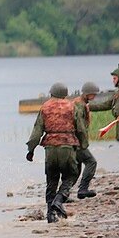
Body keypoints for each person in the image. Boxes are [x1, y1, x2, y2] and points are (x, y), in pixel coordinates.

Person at [27, 82, 88, 223]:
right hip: (67, 146)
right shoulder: (72, 106)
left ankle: (50, 214)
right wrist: (83, 145)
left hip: (50, 148)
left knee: (51, 180)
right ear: (65, 94)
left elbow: (37, 131)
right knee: (71, 174)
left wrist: (31, 150)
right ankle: (59, 200)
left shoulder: (45, 107)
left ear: (51, 93)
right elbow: (81, 128)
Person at [70, 81, 101, 200]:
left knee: (75, 171)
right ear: (88, 93)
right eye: (93, 94)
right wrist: (83, 143)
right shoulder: (79, 105)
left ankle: (62, 194)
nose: (95, 97)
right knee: (91, 162)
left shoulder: (80, 103)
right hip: (77, 142)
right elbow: (80, 126)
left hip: (73, 142)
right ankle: (83, 189)